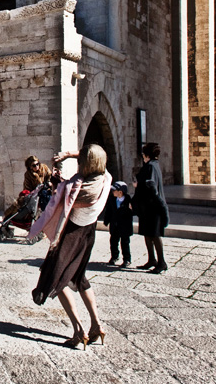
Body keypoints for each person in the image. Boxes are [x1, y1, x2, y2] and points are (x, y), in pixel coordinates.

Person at [26, 144, 113, 349]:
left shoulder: (76, 189)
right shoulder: (105, 178)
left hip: (70, 237)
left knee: (56, 279)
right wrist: (68, 154)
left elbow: (59, 200)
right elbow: (93, 156)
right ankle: (97, 325)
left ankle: (79, 330)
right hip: (87, 235)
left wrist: (57, 182)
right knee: (80, 278)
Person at [133, 142, 169, 273]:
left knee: (154, 234)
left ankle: (161, 262)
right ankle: (152, 259)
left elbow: (151, 185)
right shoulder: (153, 165)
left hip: (152, 207)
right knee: (147, 234)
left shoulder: (151, 167)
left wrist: (138, 185)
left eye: (143, 154)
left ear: (147, 155)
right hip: (147, 207)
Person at [102, 181, 133, 267]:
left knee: (125, 243)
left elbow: (131, 212)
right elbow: (108, 211)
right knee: (113, 242)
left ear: (120, 192)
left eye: (114, 190)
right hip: (114, 225)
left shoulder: (128, 200)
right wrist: (106, 220)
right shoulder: (112, 199)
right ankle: (114, 257)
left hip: (124, 225)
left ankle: (127, 259)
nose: (112, 192)